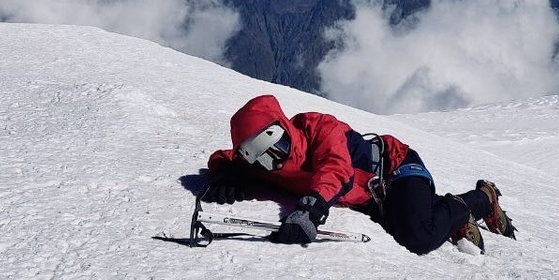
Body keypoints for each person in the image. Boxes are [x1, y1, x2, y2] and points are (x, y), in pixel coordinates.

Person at [201, 93, 515, 254]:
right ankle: (452, 209)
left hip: (397, 168)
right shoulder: (256, 161)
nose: (272, 160)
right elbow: (225, 157)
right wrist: (224, 173)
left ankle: (477, 201)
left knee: (418, 235)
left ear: (283, 127)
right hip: (368, 197)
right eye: (256, 154)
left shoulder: (319, 128)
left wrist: (310, 209)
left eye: (274, 143)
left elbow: (337, 169)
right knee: (402, 221)